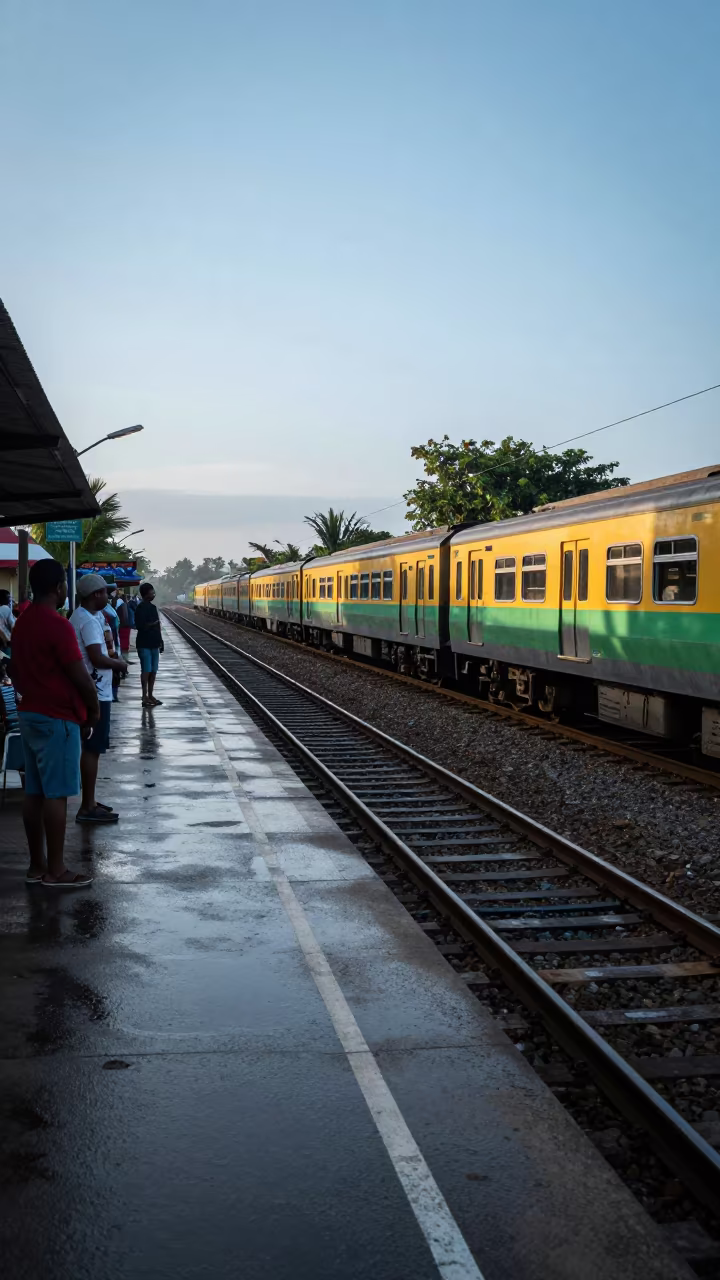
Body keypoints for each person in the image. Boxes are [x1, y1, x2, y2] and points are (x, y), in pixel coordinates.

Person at [10, 559, 100, 888]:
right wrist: (93, 711)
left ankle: (37, 865)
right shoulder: (57, 625)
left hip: (30, 715)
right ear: (58, 588)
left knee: (34, 792)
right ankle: (57, 870)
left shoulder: (23, 622)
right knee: (57, 794)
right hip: (57, 718)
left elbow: (15, 670)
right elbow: (80, 676)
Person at [70, 573, 128, 822]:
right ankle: (87, 807)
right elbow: (96, 657)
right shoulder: (88, 620)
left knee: (92, 748)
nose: (109, 595)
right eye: (105, 591)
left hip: (95, 689)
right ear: (96, 594)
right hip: (95, 692)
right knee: (93, 748)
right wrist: (119, 664)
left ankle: (90, 800)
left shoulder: (87, 616)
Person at [135, 582, 164, 708]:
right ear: (146, 594)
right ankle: (144, 696)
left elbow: (158, 626)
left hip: (154, 643)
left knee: (153, 670)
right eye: (151, 593)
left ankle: (151, 695)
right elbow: (140, 626)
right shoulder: (140, 608)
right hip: (144, 644)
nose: (153, 595)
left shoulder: (153, 608)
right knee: (146, 670)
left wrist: (161, 640)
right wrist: (153, 624)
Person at [0, 588, 13, 658]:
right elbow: (13, 626)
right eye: (8, 597)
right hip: (6, 641)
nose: (10, 599)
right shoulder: (6, 608)